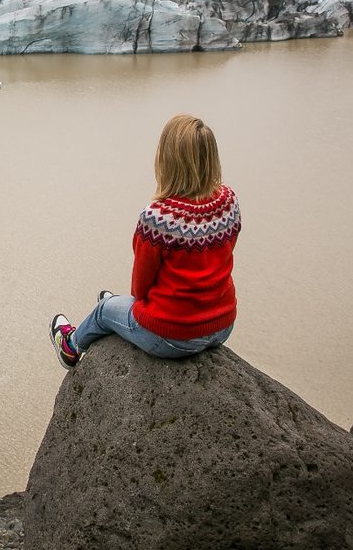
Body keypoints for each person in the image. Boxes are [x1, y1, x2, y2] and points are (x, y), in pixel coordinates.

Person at [50, 114, 239, 368]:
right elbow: (222, 258)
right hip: (222, 326)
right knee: (115, 304)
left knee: (104, 310)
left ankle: (70, 347)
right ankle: (116, 310)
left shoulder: (158, 218)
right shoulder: (228, 201)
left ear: (167, 160)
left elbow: (140, 289)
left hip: (172, 337)